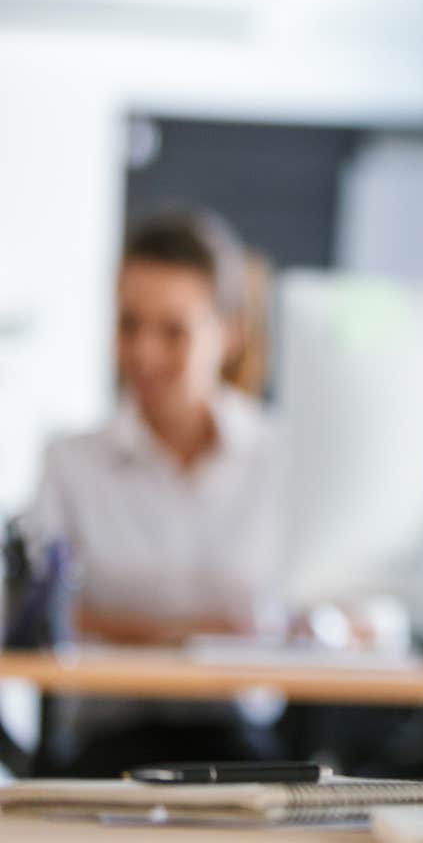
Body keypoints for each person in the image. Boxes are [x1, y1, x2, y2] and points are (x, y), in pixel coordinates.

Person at [18, 208, 289, 773]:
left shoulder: (280, 458)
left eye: (173, 331)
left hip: (240, 742)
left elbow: (313, 611)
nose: (143, 354)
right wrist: (198, 635)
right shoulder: (71, 461)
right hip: (105, 742)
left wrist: (126, 629)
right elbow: (37, 613)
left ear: (230, 332)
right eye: (128, 325)